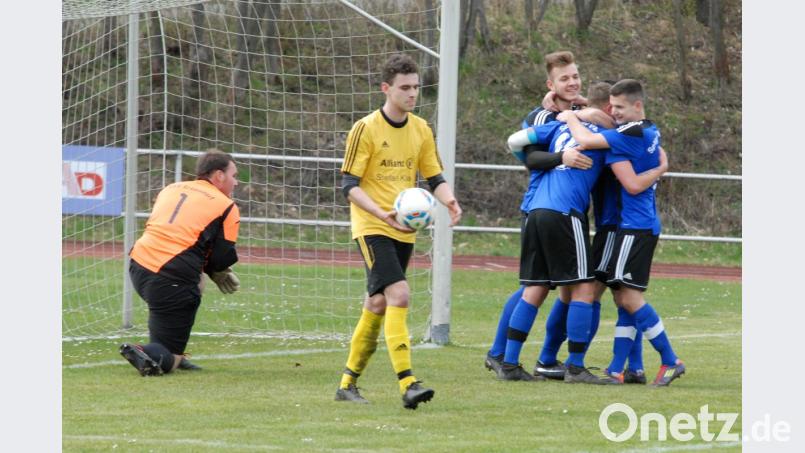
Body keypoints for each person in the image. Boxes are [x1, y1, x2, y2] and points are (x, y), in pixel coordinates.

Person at [334, 54, 462, 409]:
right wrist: (380, 213)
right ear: (386, 88)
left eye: (416, 87)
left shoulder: (421, 129)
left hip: (404, 229)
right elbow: (349, 186)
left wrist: (450, 201)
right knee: (400, 294)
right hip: (372, 225)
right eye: (405, 87)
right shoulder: (366, 128)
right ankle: (408, 383)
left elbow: (434, 176)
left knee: (377, 303)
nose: (412, 94)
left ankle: (347, 384)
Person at [558, 78, 685, 386]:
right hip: (637, 225)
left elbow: (592, 146)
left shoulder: (625, 136)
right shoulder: (649, 129)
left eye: (619, 107)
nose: (613, 113)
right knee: (622, 294)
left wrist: (570, 116)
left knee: (628, 296)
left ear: (637, 105)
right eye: (611, 107)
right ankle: (621, 366)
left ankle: (670, 360)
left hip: (633, 227)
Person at [484, 51, 595, 380]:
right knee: (538, 287)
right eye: (564, 78)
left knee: (543, 287)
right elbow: (531, 159)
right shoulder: (542, 116)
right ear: (550, 84)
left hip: (555, 207)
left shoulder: (579, 113)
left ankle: (534, 359)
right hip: (542, 205)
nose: (572, 82)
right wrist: (564, 157)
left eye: (575, 76)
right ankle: (501, 353)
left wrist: (581, 108)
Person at [119, 150, 241, 376]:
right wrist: (219, 270)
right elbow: (221, 255)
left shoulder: (171, 188)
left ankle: (167, 348)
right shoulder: (226, 206)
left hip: (139, 264)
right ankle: (146, 351)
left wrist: (208, 268)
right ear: (219, 175)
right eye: (234, 175)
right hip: (171, 278)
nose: (236, 182)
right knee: (169, 361)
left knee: (196, 282)